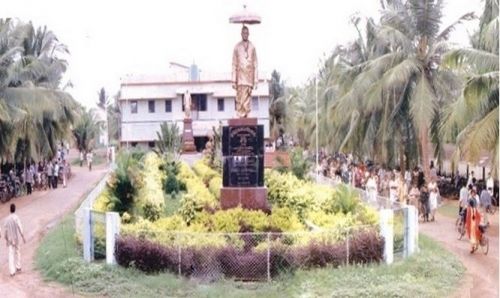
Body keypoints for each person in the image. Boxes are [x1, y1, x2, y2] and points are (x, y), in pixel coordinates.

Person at [232, 25, 258, 118]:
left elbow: (255, 64)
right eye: (243, 33)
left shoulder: (252, 47)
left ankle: (247, 113)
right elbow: (234, 64)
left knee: (247, 98)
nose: (245, 34)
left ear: (249, 34)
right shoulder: (237, 47)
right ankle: (240, 113)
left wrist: (255, 80)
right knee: (240, 98)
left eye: (247, 33)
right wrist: (233, 80)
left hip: (249, 77)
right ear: (241, 34)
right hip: (240, 77)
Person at [4, 203, 26, 276]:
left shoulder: (7, 219)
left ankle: (12, 271)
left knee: (10, 254)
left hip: (10, 239)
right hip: (16, 238)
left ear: (10, 210)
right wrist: (23, 237)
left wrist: (6, 239)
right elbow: (20, 227)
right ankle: (18, 266)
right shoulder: (16, 218)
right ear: (15, 209)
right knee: (17, 252)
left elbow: (5, 231)